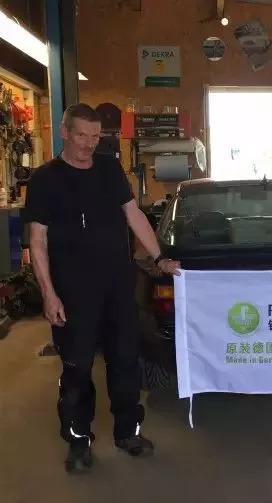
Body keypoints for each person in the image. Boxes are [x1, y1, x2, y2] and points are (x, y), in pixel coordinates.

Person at [24, 103, 181, 473]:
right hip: (72, 293)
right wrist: (48, 293)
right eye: (81, 135)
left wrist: (160, 257)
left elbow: (134, 214)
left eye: (95, 137)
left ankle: (128, 433)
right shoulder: (45, 179)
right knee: (77, 369)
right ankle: (78, 441)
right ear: (64, 132)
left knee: (125, 362)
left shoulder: (109, 169)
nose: (88, 144)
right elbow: (37, 240)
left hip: (117, 288)